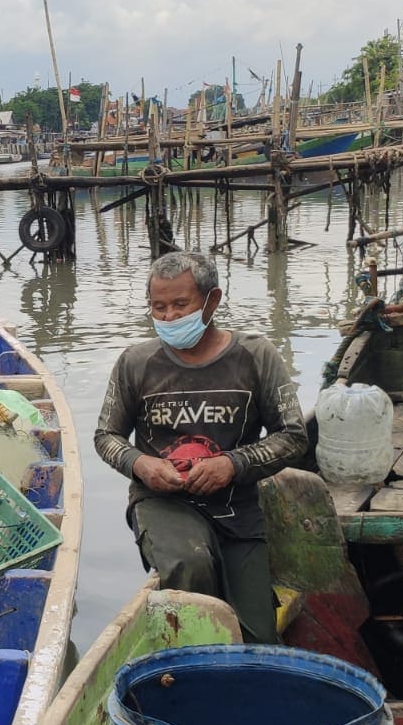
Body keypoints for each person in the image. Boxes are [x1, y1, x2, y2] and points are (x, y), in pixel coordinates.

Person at [93, 251, 307, 643]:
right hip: (162, 502)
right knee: (190, 565)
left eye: (181, 305)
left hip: (236, 508)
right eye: (159, 307)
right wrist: (141, 465)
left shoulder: (256, 356)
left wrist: (234, 464)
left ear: (213, 300)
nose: (169, 317)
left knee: (258, 635)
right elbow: (106, 437)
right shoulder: (135, 363)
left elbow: (293, 437)